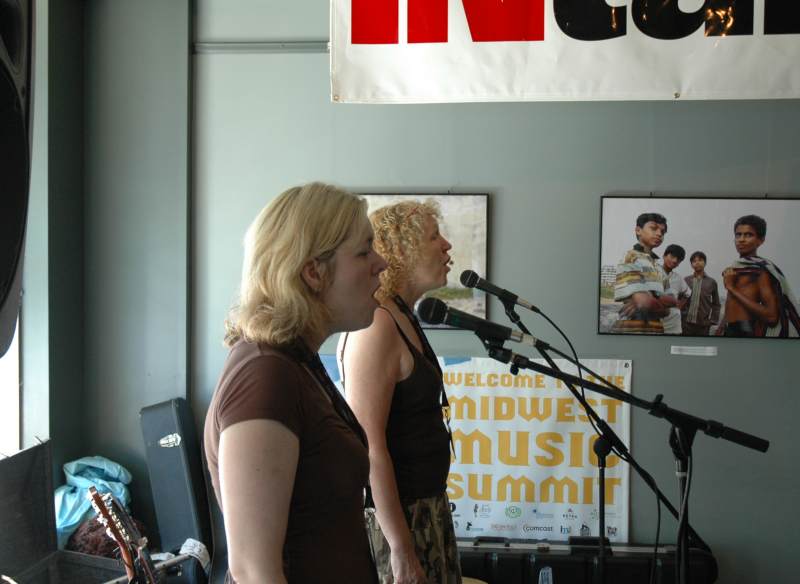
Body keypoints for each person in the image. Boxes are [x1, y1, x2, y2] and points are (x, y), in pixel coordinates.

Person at [203, 182, 387, 584]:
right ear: (313, 272)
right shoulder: (264, 375)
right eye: (363, 251)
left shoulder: (294, 363)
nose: (381, 263)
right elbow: (254, 571)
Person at [338, 199, 462, 584]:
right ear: (402, 251)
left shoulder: (403, 316)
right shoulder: (377, 325)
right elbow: (370, 445)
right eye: (433, 237)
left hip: (427, 510)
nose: (446, 246)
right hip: (401, 524)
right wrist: (401, 549)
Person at [717, 214, 800, 337]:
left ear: (761, 240)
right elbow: (733, 303)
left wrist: (731, 288)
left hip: (747, 331)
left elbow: (771, 316)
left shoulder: (761, 271)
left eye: (748, 235)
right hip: (729, 330)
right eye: (738, 235)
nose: (741, 239)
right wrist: (722, 325)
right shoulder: (737, 268)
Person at [612, 212, 675, 334]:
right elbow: (643, 302)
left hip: (656, 330)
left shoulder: (658, 267)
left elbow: (670, 307)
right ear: (638, 230)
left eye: (662, 232)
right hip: (632, 330)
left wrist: (648, 300)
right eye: (653, 228)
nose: (659, 234)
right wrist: (649, 301)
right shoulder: (631, 257)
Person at [681, 251, 721, 336]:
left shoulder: (712, 282)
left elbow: (716, 304)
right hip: (686, 323)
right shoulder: (686, 280)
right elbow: (680, 299)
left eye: (700, 260)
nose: (697, 263)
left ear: (705, 262)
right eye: (694, 261)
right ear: (691, 264)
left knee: (702, 347)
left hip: (703, 324)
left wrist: (713, 320)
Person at [660, 244, 691, 335]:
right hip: (656, 319)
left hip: (674, 323)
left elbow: (688, 293)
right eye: (672, 256)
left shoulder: (678, 278)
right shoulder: (654, 271)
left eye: (679, 260)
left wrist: (679, 306)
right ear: (664, 255)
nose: (675, 261)